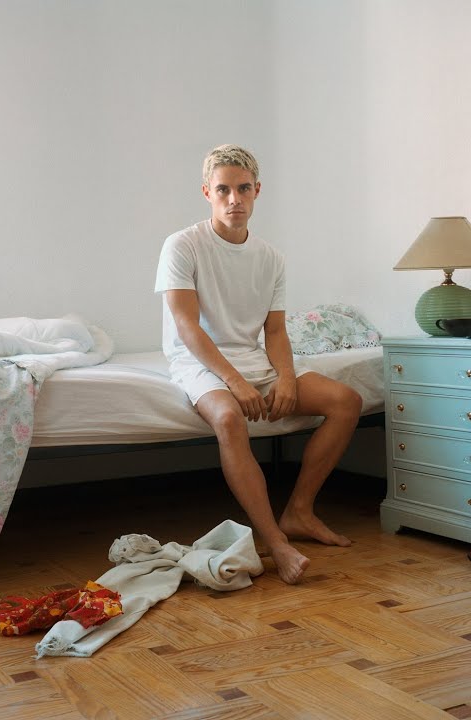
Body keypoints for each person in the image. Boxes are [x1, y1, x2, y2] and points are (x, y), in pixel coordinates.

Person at [154, 144, 363, 584]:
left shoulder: (271, 257)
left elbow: (275, 332)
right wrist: (234, 382)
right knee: (229, 418)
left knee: (346, 401)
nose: (235, 199)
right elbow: (187, 328)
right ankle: (275, 540)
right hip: (198, 360)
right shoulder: (182, 245)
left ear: (257, 191)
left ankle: (299, 511)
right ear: (207, 192)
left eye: (244, 189)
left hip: (253, 358)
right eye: (223, 190)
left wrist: (286, 377)